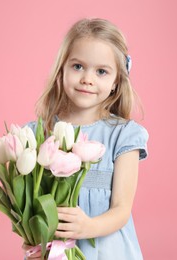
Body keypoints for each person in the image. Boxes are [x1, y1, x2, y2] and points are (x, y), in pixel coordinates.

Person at [23, 17, 149, 260]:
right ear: (62, 69)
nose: (87, 79)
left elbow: (122, 209)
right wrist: (34, 240)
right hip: (57, 252)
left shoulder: (123, 135)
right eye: (78, 66)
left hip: (109, 252)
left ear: (115, 82)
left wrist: (88, 228)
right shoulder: (41, 134)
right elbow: (30, 203)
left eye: (101, 71)